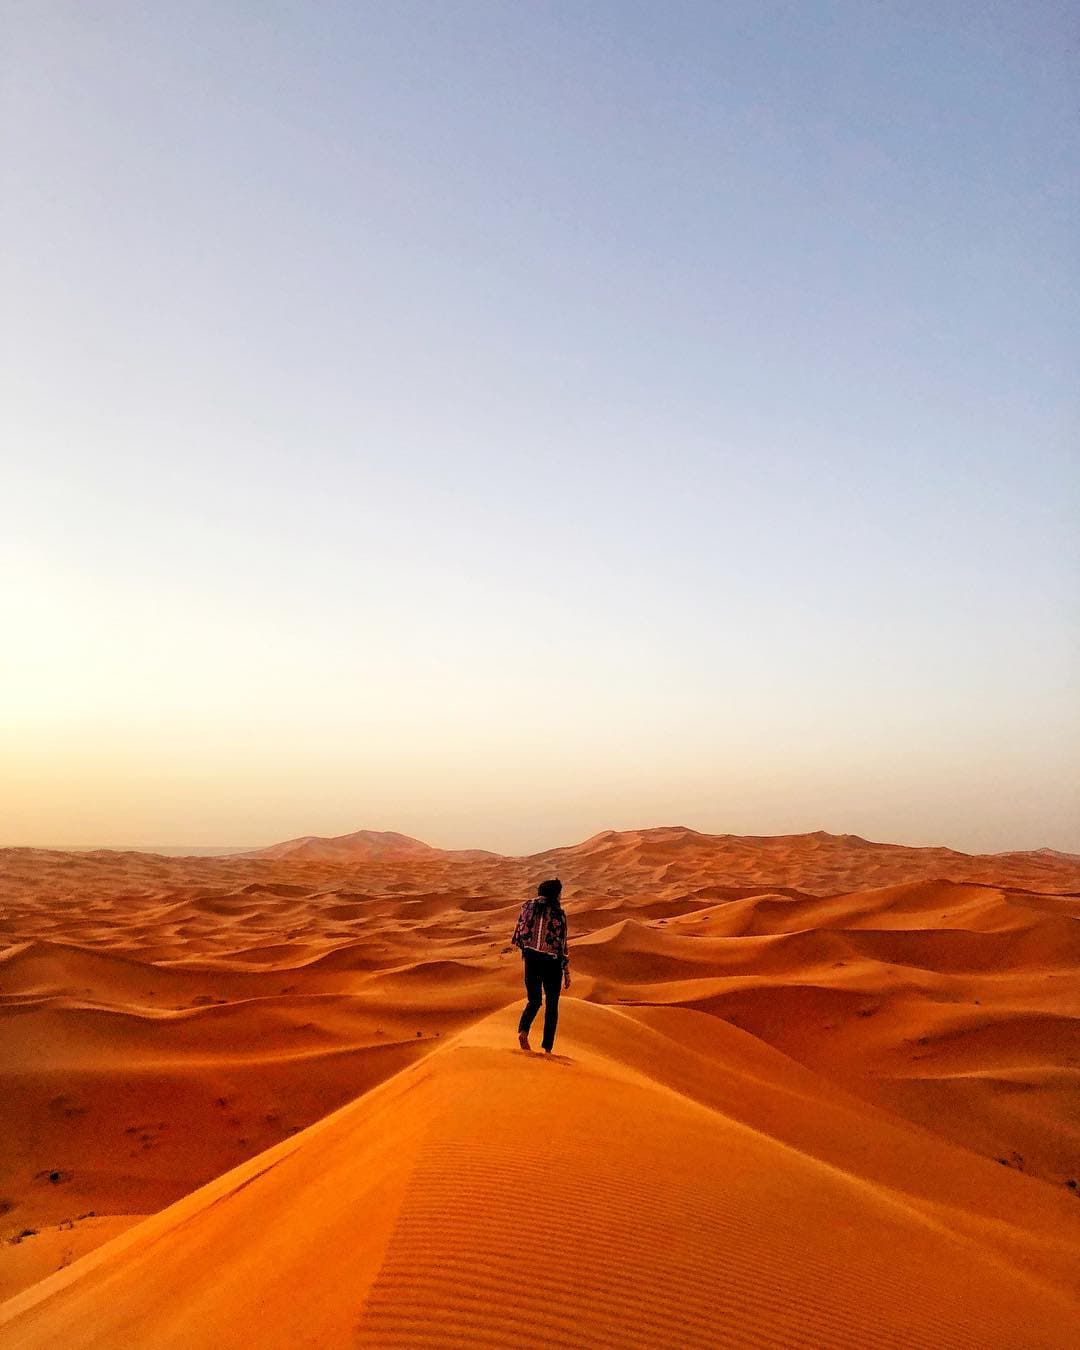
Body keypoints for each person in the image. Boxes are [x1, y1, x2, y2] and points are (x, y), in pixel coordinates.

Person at [510, 877, 571, 1053]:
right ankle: (547, 1048)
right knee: (552, 1006)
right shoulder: (558, 912)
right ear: (556, 893)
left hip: (531, 959)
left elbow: (518, 933)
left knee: (534, 1000)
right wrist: (566, 971)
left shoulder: (527, 907)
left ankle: (523, 1031)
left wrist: (528, 951)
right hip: (552, 963)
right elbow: (562, 943)